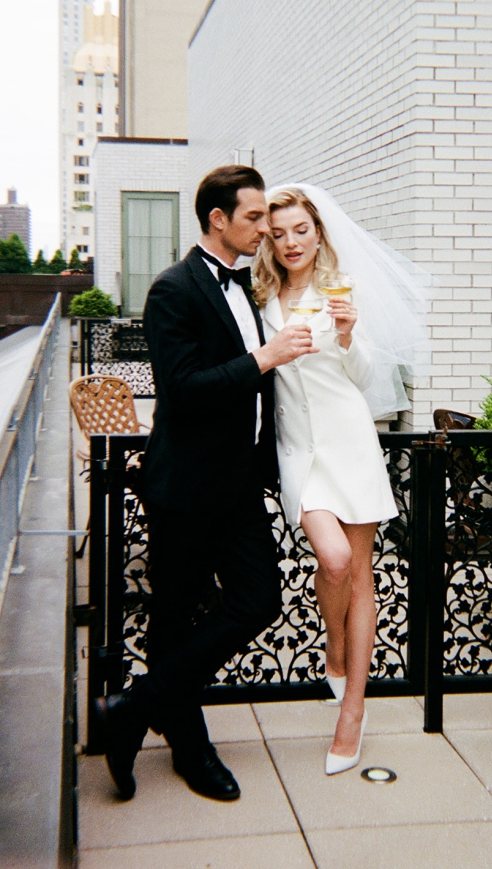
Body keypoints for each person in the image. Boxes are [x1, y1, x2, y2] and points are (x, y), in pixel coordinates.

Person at [95, 165, 316, 801]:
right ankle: (189, 747)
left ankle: (131, 711)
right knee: (172, 620)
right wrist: (263, 359)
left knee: (259, 601)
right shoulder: (173, 290)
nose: (264, 230)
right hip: (186, 488)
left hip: (241, 485)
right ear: (218, 220)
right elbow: (184, 391)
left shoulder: (247, 286)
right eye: (253, 219)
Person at [253, 184, 428, 775]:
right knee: (331, 560)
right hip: (298, 450)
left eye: (300, 230)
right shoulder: (260, 296)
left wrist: (349, 336)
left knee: (361, 577)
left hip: (350, 445)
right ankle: (334, 644)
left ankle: (353, 708)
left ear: (319, 231)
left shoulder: (339, 293)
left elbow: (369, 377)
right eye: (278, 234)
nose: (290, 242)